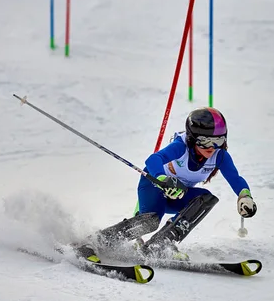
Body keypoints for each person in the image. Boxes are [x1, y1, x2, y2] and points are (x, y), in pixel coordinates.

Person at [75, 107, 257, 263]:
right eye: (205, 141)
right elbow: (153, 159)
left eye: (218, 141)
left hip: (178, 194)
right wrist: (162, 179)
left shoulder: (220, 156)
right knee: (151, 221)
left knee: (206, 198)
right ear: (193, 138)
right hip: (154, 186)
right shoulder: (181, 147)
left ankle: (160, 244)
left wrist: (244, 196)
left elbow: (235, 178)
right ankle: (93, 243)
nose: (212, 147)